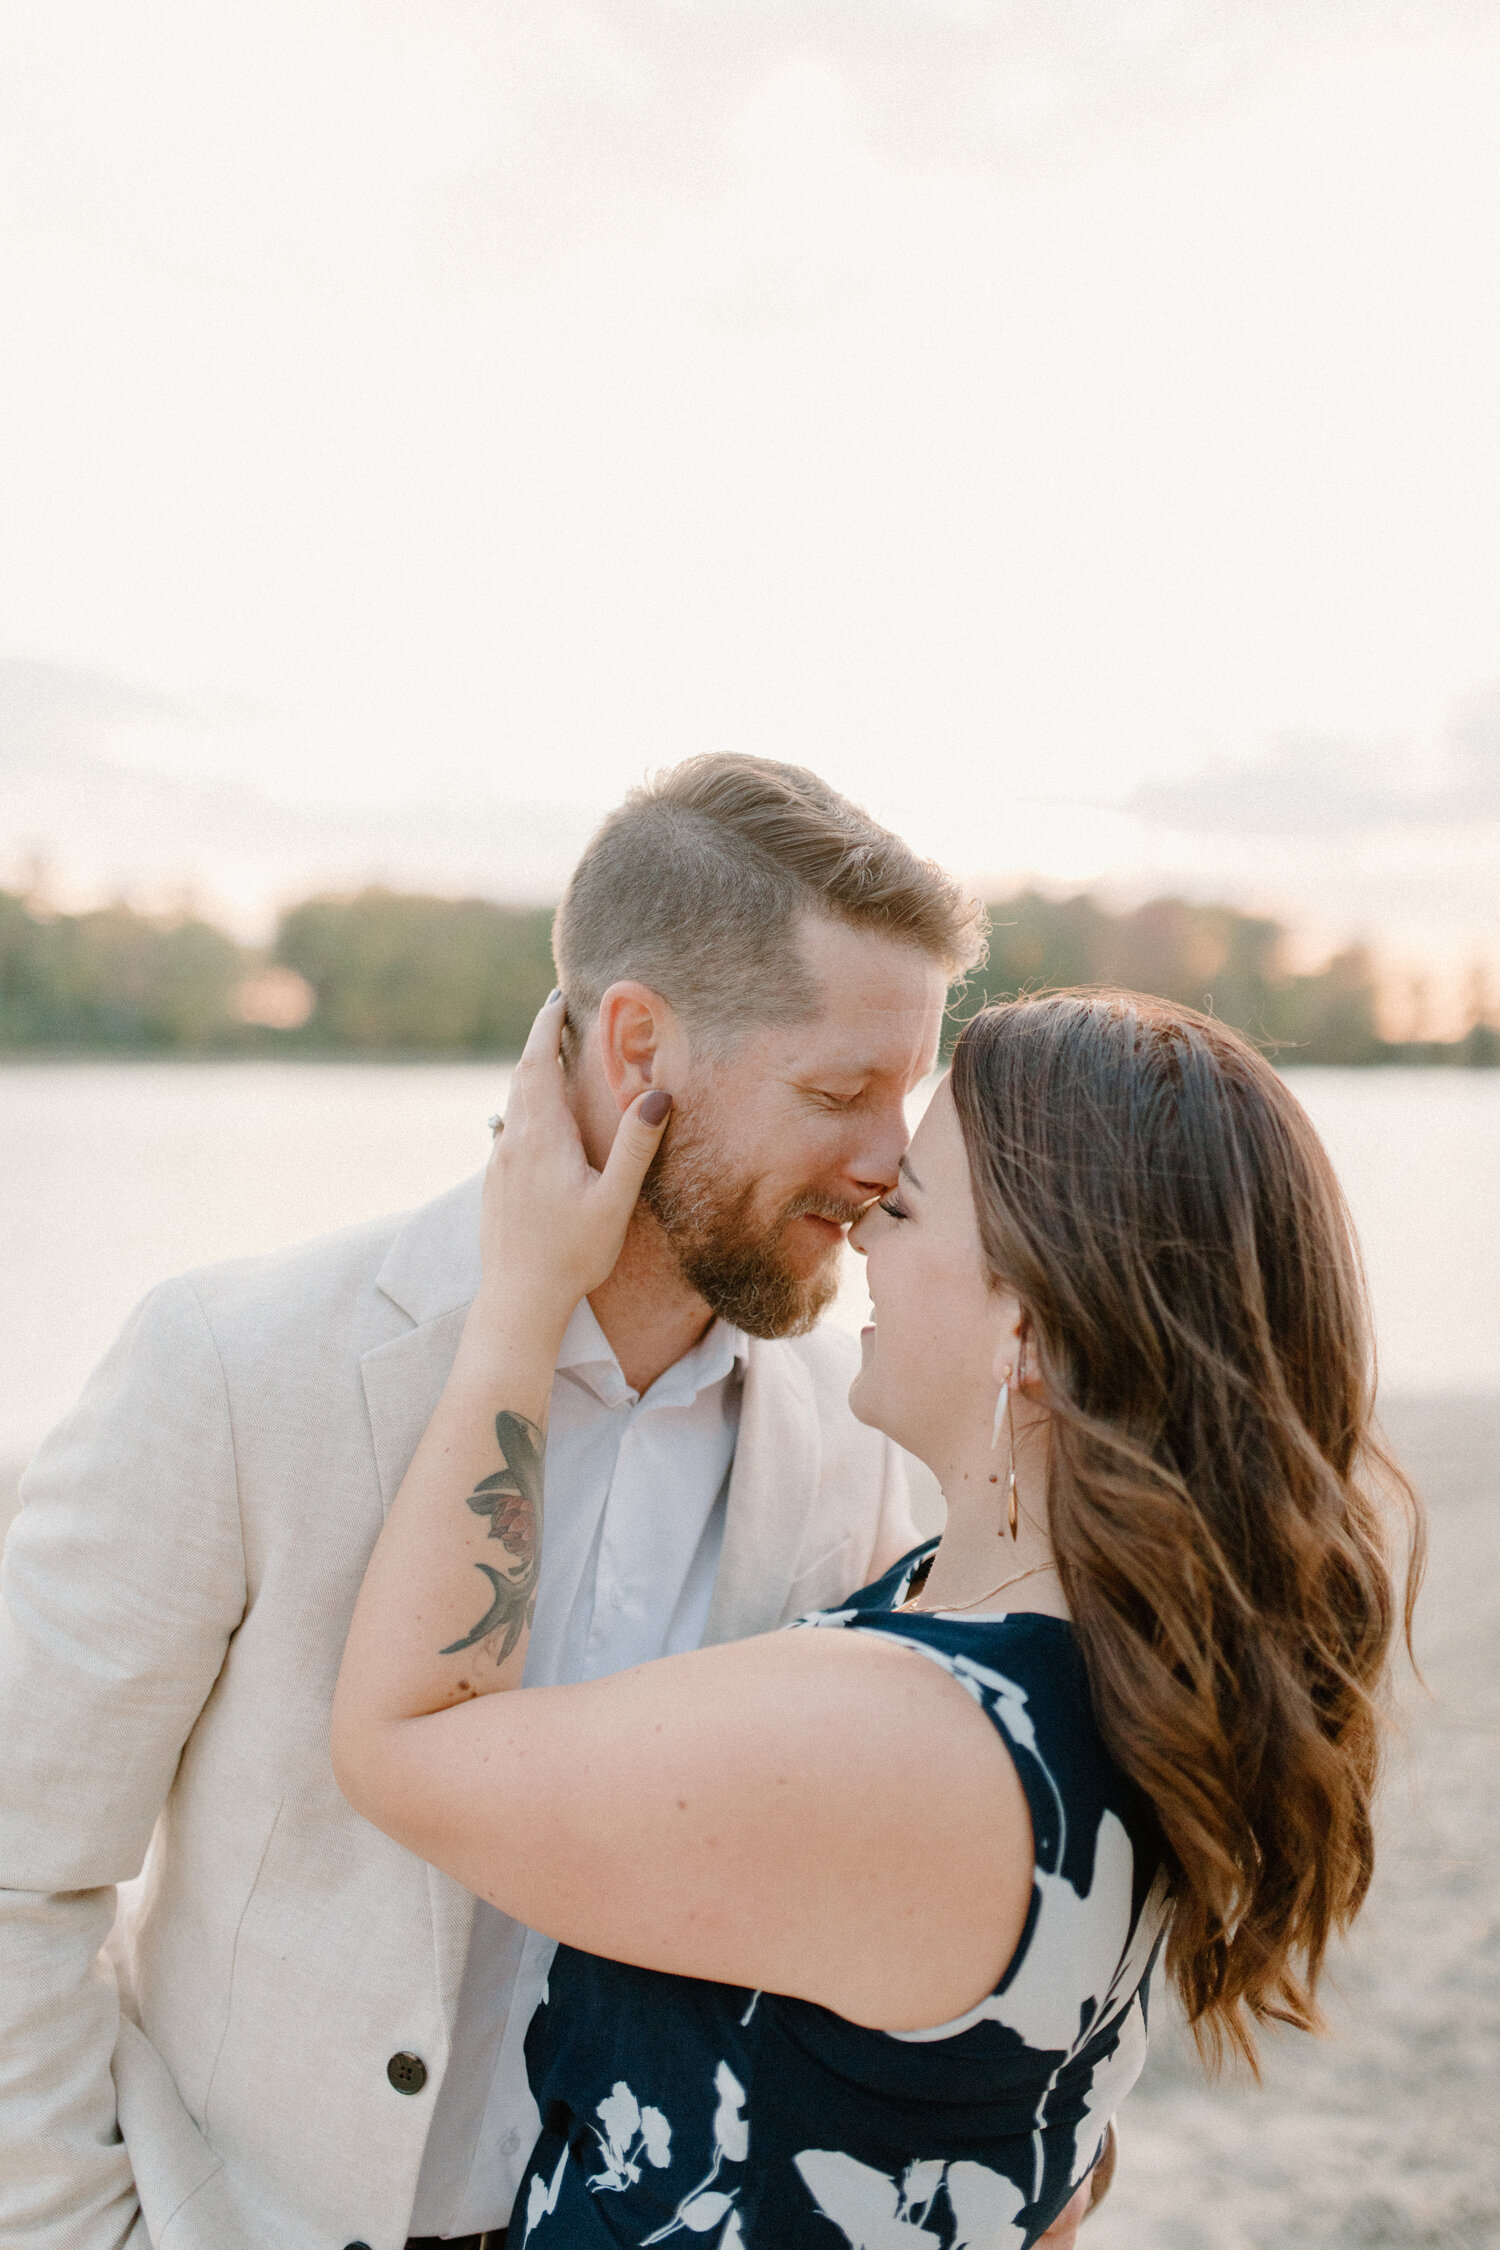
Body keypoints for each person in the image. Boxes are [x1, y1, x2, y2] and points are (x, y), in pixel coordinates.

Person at [0, 758, 985, 2250]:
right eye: (839, 1090)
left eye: (903, 1097)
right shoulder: (234, 1362)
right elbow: (23, 1861)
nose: (887, 1163)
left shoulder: (847, 1450)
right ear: (637, 1042)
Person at [331, 986, 1422, 2250]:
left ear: (1029, 1327)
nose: (861, 1238)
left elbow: (403, 1744)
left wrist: (524, 1293)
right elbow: (1043, 2176)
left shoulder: (905, 1745)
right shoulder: (1133, 1654)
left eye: (903, 1208)